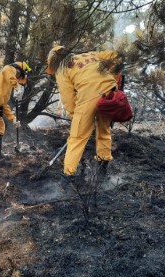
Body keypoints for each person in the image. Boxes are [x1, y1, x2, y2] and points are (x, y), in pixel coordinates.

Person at [46, 45, 123, 185]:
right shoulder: (90, 54)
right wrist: (112, 77)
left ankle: (67, 178)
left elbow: (68, 98)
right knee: (103, 131)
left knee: (77, 138)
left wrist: (75, 117)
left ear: (54, 62)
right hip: (111, 93)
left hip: (89, 96)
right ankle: (102, 170)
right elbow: (116, 55)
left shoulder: (62, 69)